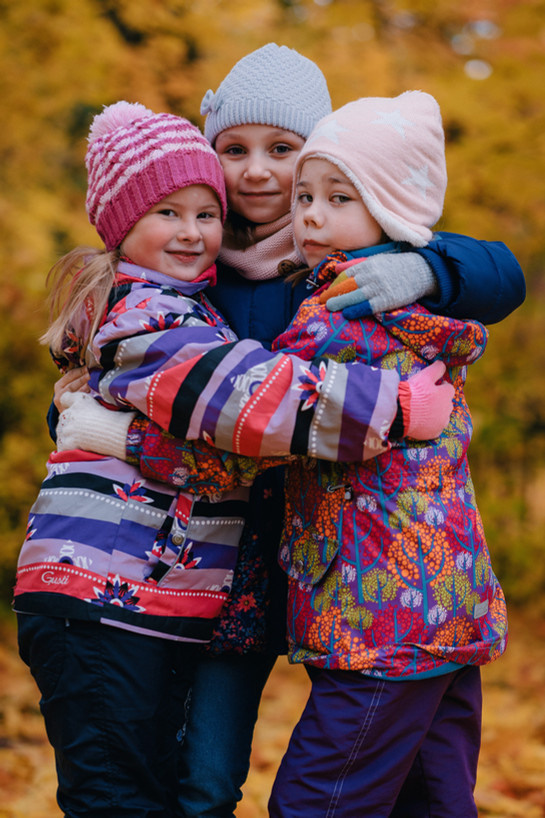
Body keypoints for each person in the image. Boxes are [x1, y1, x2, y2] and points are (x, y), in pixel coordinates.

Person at [52, 43, 526, 818]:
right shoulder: (184, 264)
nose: (259, 173)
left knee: (377, 773)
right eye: (233, 151)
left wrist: (426, 267)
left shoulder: (349, 273)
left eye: (284, 150)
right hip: (221, 571)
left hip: (345, 565)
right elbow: (112, 372)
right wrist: (94, 422)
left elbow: (498, 273)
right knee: (205, 776)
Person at [264, 90, 509, 817]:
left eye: (338, 197)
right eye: (304, 194)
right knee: (431, 798)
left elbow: (256, 418)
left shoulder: (337, 316)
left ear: (392, 211)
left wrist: (120, 430)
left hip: (379, 616)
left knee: (317, 800)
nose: (309, 213)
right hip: (448, 600)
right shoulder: (427, 316)